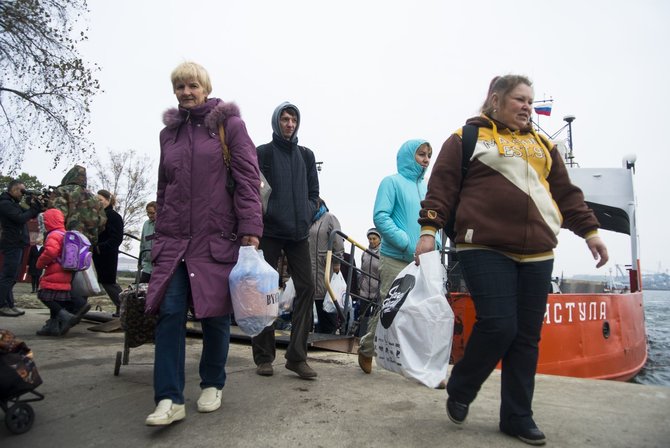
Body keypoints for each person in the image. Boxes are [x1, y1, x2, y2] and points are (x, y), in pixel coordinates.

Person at [414, 75, 609, 446]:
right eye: (520, 99)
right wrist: (428, 231)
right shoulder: (465, 138)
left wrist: (591, 232)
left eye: (531, 102)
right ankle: (462, 385)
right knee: (500, 325)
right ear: (495, 100)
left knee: (526, 338)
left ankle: (518, 416)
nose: (527, 107)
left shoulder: (543, 146)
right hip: (482, 245)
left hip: (538, 251)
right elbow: (441, 187)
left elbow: (567, 195)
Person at [143, 62, 263, 426]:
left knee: (214, 315)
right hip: (176, 240)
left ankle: (212, 381)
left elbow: (247, 180)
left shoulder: (230, 126)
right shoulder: (170, 135)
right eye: (179, 86)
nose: (185, 92)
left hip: (217, 238)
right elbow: (165, 188)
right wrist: (161, 229)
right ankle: (169, 398)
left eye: (192, 85)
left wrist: (251, 231)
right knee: (170, 313)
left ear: (206, 88)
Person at [253, 101, 320, 379]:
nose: (289, 124)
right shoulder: (263, 154)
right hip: (269, 232)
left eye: (293, 120)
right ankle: (264, 357)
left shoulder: (306, 156)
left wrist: (307, 212)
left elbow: (315, 194)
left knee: (307, 287)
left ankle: (296, 356)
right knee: (264, 292)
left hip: (298, 233)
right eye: (285, 119)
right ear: (276, 122)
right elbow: (251, 191)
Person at [357, 140, 433, 374]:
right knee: (391, 309)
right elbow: (381, 216)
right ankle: (367, 347)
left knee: (422, 311)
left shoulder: (427, 187)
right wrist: (405, 242)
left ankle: (424, 366)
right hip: (395, 257)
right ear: (409, 156)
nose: (426, 159)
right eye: (421, 154)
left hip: (423, 259)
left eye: (429, 155)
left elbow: (432, 220)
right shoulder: (391, 182)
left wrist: (434, 242)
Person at [49, 165, 107, 318]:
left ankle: (60, 316)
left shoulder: (62, 192)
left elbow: (56, 216)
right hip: (86, 245)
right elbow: (102, 222)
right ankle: (76, 310)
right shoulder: (94, 198)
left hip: (65, 243)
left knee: (58, 278)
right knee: (80, 279)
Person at [34, 209, 78, 336]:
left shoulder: (53, 235)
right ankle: (53, 327)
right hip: (66, 270)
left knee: (44, 295)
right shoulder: (65, 233)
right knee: (56, 298)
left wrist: (40, 263)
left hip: (55, 269)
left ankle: (66, 316)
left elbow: (51, 252)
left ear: (48, 221)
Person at [0, 180, 40, 317]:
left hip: (18, 243)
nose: (22, 194)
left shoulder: (13, 204)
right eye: (21, 191)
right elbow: (20, 218)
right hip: (11, 243)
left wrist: (35, 204)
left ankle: (8, 304)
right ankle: (2, 305)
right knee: (8, 275)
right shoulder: (5, 204)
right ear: (14, 190)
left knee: (13, 276)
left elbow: (31, 214)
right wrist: (32, 209)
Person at [308, 197, 343, 334]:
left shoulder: (329, 218)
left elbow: (338, 240)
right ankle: (310, 332)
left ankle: (329, 332)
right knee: (310, 298)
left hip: (325, 265)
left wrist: (337, 260)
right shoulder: (308, 220)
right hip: (309, 264)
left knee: (325, 298)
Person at [93, 189, 124, 316]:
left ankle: (124, 306)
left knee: (109, 283)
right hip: (96, 253)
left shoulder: (113, 216)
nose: (98, 203)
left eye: (100, 200)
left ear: (108, 200)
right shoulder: (98, 215)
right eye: (96, 200)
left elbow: (116, 238)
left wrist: (101, 247)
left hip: (107, 255)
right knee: (89, 282)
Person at [357, 228, 381, 336]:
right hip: (365, 289)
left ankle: (372, 337)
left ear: (379, 239)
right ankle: (360, 336)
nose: (371, 241)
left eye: (374, 239)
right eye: (369, 239)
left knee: (375, 316)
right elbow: (362, 271)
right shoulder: (365, 253)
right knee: (363, 315)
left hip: (377, 290)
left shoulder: (383, 254)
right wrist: (359, 285)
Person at [138, 201, 156, 283]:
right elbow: (142, 243)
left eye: (152, 213)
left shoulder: (164, 225)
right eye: (148, 213)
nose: (149, 215)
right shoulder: (146, 224)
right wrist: (140, 261)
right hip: (147, 265)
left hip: (159, 265)